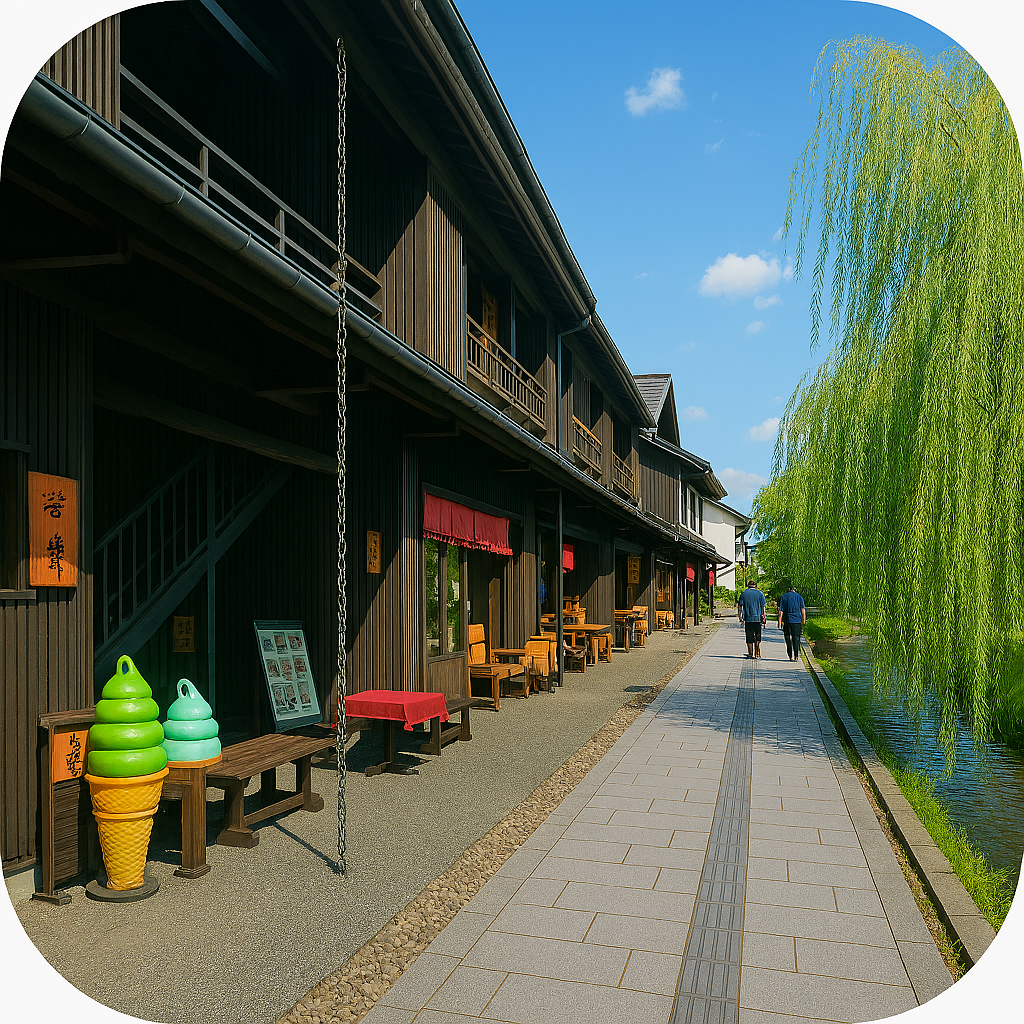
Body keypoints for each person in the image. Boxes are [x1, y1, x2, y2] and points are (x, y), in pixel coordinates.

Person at [737, 578, 766, 658]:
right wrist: (763, 616)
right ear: (755, 586)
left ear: (748, 586)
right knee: (757, 636)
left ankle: (750, 653)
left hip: (748, 618)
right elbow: (763, 606)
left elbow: (740, 606)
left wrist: (740, 617)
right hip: (757, 618)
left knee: (749, 636)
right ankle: (757, 653)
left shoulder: (744, 594)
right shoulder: (760, 594)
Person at [777, 585, 806, 661]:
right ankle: (796, 655)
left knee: (787, 639)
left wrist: (779, 623)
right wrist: (803, 621)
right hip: (797, 621)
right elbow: (803, 610)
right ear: (795, 590)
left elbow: (781, 612)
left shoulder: (784, 597)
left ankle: (790, 655)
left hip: (787, 621)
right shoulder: (799, 597)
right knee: (796, 638)